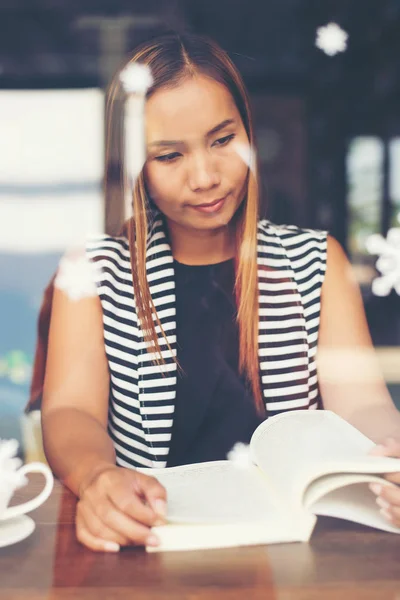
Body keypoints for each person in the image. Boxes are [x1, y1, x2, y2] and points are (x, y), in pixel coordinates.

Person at [39, 32, 400, 553]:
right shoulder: (94, 272)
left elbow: (362, 403)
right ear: (133, 165)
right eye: (168, 156)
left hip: (292, 550)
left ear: (249, 133)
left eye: (222, 140)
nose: (205, 177)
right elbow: (72, 411)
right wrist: (97, 476)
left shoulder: (317, 261)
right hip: (148, 540)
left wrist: (391, 451)